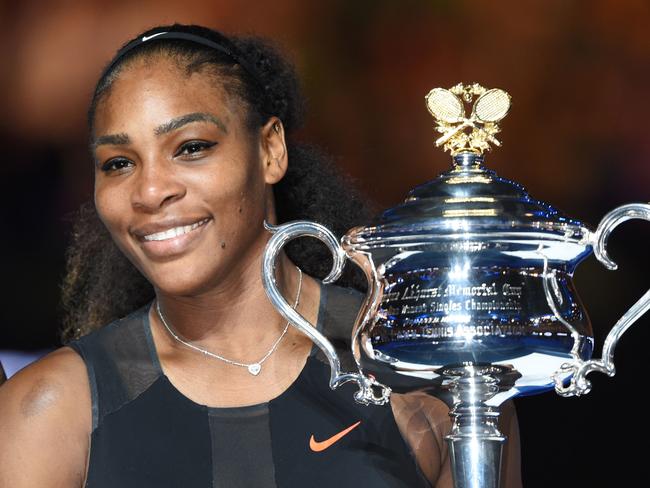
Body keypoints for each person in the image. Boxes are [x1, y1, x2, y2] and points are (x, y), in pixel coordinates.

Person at [0, 24, 521, 487]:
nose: (150, 190)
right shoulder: (48, 411)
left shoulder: (424, 378)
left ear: (271, 150)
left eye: (191, 147)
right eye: (118, 163)